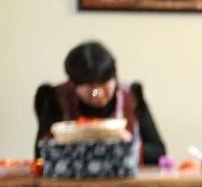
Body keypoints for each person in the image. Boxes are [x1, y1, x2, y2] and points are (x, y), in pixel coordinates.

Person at [34, 41, 166, 165]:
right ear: (74, 84)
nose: (98, 93)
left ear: (114, 78)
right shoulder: (55, 98)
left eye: (104, 83)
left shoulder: (131, 97)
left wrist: (129, 144)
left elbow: (158, 152)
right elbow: (40, 155)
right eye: (90, 87)